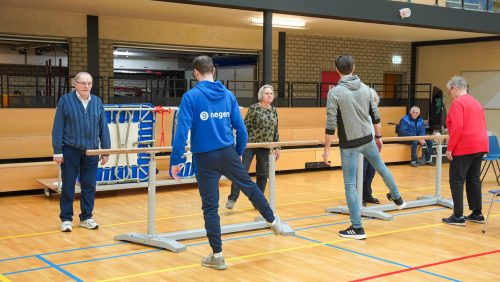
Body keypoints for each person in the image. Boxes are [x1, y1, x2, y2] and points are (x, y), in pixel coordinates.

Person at [170, 56, 282, 270]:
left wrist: (176, 160)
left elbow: (182, 131)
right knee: (249, 186)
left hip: (204, 158)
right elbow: (241, 130)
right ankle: (273, 220)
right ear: (213, 70)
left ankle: (218, 255)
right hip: (228, 152)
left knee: (210, 207)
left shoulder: (190, 97)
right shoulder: (228, 96)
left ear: (196, 73)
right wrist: (238, 152)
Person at [322, 55, 406, 240]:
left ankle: (357, 228)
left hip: (349, 145)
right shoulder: (367, 90)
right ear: (354, 67)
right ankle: (397, 198)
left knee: (350, 185)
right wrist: (379, 137)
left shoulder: (335, 93)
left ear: (337, 70)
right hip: (368, 139)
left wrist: (327, 150)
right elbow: (376, 116)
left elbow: (330, 124)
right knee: (381, 167)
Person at [52, 72, 111, 232]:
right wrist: (57, 150)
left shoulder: (97, 102)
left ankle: (86, 217)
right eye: (83, 83)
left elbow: (103, 128)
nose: (86, 86)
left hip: (91, 151)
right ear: (75, 84)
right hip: (70, 150)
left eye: (89, 83)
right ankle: (66, 219)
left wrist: (105, 151)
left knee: (89, 185)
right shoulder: (65, 101)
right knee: (68, 186)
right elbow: (58, 127)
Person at [442, 75, 488, 226]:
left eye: (450, 91)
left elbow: (457, 128)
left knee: (456, 179)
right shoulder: (477, 103)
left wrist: (450, 149)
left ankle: (458, 216)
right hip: (480, 145)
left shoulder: (458, 103)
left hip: (464, 147)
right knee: (474, 179)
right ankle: (477, 213)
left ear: (454, 89)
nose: (451, 94)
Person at [226, 84, 280, 210]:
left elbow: (275, 130)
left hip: (266, 147)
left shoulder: (274, 110)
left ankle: (258, 201)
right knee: (241, 172)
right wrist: (241, 145)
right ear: (261, 95)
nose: (269, 95)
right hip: (250, 145)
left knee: (262, 175)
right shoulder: (254, 108)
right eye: (266, 93)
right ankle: (232, 198)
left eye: (271, 93)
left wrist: (277, 147)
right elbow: (245, 128)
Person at [362, 88, 381, 207]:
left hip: (372, 147)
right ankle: (358, 197)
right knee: (361, 173)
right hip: (361, 147)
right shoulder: (360, 112)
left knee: (370, 173)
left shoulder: (374, 113)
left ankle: (367, 195)